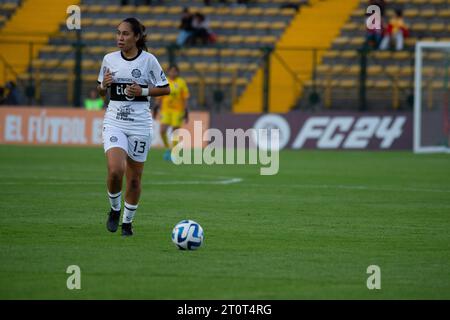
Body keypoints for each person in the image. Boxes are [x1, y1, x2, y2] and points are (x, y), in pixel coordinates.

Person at [97, 17, 170, 236]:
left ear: (137, 37)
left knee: (135, 179)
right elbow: (101, 93)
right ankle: (114, 209)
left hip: (140, 125)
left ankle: (127, 223)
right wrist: (104, 86)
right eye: (118, 33)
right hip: (115, 122)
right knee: (115, 170)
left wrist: (143, 92)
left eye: (126, 34)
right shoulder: (109, 59)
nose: (120, 37)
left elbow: (166, 89)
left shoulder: (148, 61)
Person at [152, 65, 189, 161]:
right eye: (171, 71)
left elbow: (185, 98)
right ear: (168, 72)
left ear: (178, 72)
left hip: (178, 111)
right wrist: (156, 108)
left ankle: (174, 152)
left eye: (175, 71)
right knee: (162, 130)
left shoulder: (181, 82)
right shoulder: (165, 81)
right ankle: (168, 148)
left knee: (175, 131)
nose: (173, 73)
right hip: (166, 110)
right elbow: (160, 96)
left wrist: (186, 111)